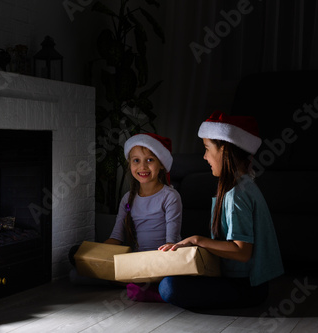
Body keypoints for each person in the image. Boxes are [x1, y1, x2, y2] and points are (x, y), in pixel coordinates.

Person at [158, 111, 284, 309]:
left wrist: (196, 240)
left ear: (224, 150)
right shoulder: (243, 185)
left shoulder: (237, 194)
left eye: (207, 148)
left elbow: (242, 252)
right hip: (248, 285)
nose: (205, 156)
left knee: (169, 287)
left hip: (248, 287)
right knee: (172, 279)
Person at [105, 133, 183, 301]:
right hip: (139, 261)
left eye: (150, 160)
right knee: (77, 274)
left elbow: (172, 242)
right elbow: (116, 237)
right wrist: (98, 255)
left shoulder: (170, 196)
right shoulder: (127, 199)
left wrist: (152, 266)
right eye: (136, 160)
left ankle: (145, 285)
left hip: (165, 261)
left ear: (161, 164)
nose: (143, 167)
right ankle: (138, 283)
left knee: (168, 287)